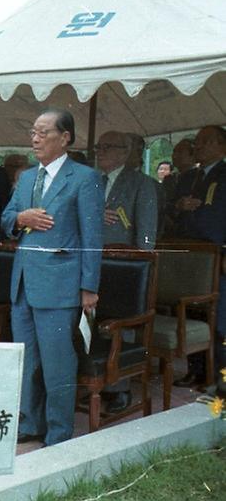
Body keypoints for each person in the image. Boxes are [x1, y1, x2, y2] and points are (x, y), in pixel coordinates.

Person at [1, 108, 103, 446]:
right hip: (23, 283)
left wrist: (89, 287)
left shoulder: (84, 178)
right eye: (33, 131)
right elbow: (6, 217)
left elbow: (92, 237)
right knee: (27, 358)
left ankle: (59, 431)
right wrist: (21, 218)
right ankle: (31, 423)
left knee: (58, 362)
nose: (35, 138)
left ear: (66, 138)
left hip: (60, 285)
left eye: (44, 132)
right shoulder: (28, 177)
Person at [95, 130, 158, 413]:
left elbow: (146, 232)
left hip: (124, 266)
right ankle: (95, 379)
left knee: (121, 326)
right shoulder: (91, 181)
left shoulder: (141, 183)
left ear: (124, 151)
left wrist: (140, 266)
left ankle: (119, 389)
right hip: (91, 262)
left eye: (107, 147)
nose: (100, 152)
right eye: (99, 147)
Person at [171, 125, 226, 387]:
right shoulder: (189, 177)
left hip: (216, 256)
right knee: (194, 313)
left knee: (218, 318)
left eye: (205, 142)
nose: (198, 147)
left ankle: (217, 375)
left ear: (221, 146)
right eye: (197, 142)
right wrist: (180, 207)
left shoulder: (223, 174)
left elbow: (214, 221)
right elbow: (172, 214)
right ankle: (197, 370)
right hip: (191, 256)